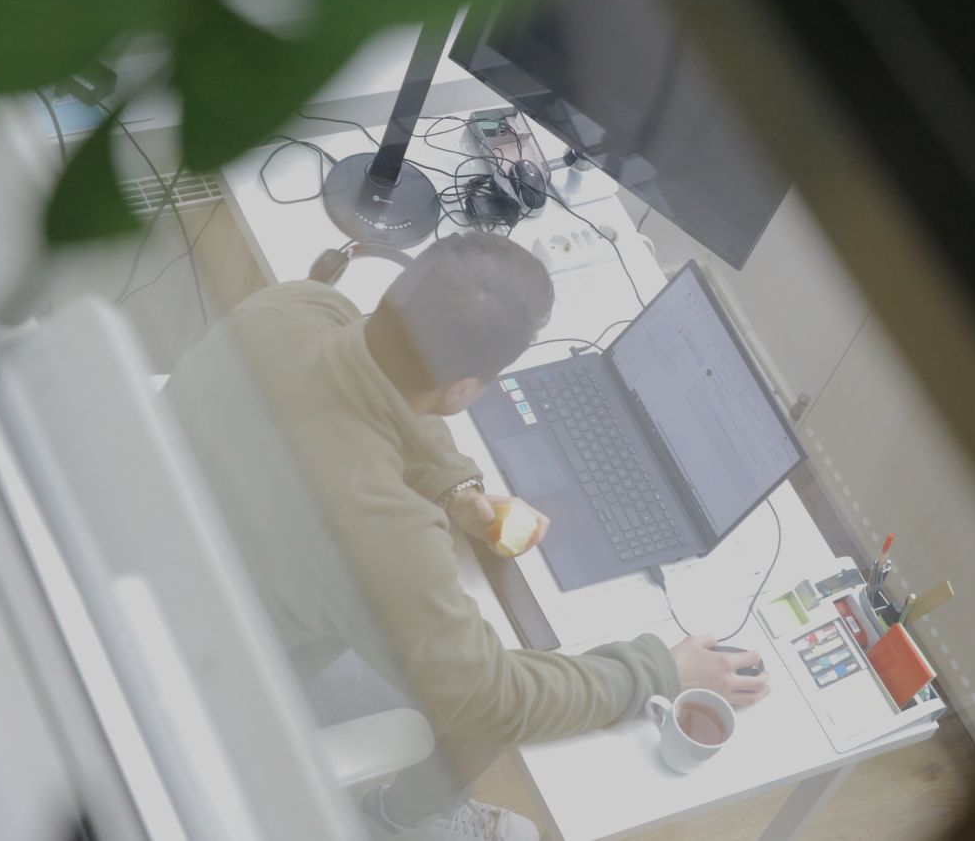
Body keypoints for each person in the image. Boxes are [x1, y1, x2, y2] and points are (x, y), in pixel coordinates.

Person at [164, 232, 769, 841]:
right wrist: (656, 669)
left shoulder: (294, 307)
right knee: (478, 693)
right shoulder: (387, 533)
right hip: (218, 679)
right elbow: (489, 698)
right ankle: (400, 822)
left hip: (157, 572)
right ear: (462, 391)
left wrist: (458, 488)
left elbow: (365, 388)